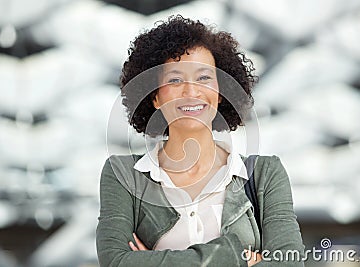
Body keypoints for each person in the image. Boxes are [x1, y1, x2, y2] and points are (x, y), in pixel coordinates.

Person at [96, 15, 305, 266]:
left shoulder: (265, 174)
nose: (191, 91)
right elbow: (116, 261)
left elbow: (289, 262)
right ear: (155, 97)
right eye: (175, 80)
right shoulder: (123, 175)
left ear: (220, 93)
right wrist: (233, 258)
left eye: (204, 78)